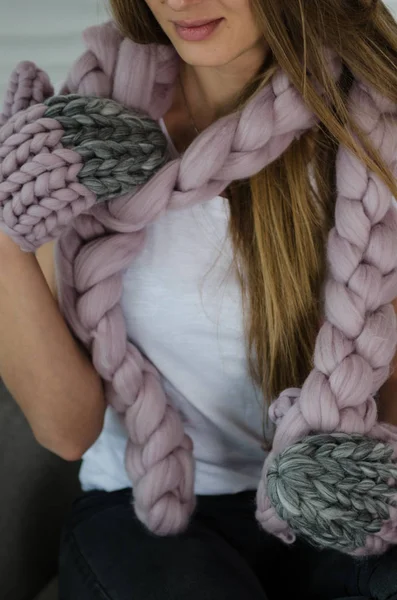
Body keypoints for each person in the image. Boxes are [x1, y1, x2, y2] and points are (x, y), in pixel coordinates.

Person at [2, 0, 397, 598]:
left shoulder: (374, 136)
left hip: (326, 503)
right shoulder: (83, 137)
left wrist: (358, 482)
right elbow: (67, 430)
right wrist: (3, 236)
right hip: (140, 512)